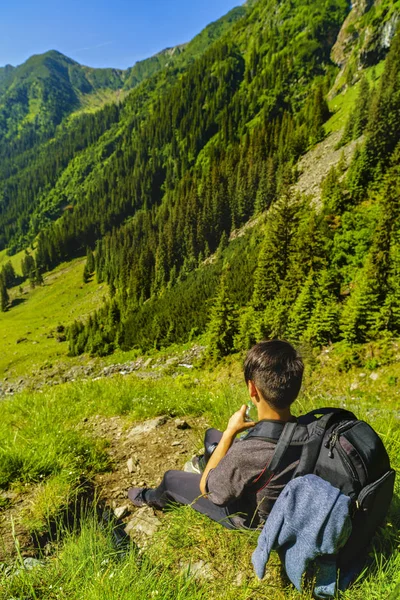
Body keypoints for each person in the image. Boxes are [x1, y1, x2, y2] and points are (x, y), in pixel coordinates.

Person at [128, 340, 304, 530]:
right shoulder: (309, 429)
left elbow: (207, 491)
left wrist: (230, 431)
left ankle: (148, 497)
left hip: (246, 515)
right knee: (211, 435)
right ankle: (210, 467)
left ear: (252, 388)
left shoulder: (246, 454)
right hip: (272, 477)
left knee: (171, 478)